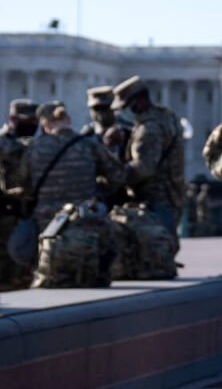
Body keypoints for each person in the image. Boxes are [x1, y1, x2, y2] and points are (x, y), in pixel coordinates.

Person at [10, 102, 125, 271]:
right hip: (85, 218)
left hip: (47, 223)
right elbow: (117, 176)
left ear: (45, 124)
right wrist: (97, 190)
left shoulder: (34, 148)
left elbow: (22, 183)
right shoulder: (89, 145)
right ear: (69, 120)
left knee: (43, 262)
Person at [111, 76, 185, 239]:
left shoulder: (148, 129)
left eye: (126, 106)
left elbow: (144, 168)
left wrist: (115, 175)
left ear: (138, 101)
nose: (125, 111)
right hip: (171, 196)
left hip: (154, 200)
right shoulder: (166, 116)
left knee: (155, 253)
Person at [0, 99, 39, 287]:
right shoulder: (2, 143)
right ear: (13, 119)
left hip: (27, 213)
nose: (32, 126)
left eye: (34, 122)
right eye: (27, 121)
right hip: (5, 215)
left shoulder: (34, 144)